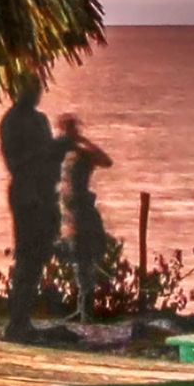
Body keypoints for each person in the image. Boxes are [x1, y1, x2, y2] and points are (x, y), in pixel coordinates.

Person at [0, 74, 64, 339]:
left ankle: (24, 319)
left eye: (38, 88)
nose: (37, 93)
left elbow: (51, 155)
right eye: (31, 88)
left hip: (45, 193)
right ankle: (18, 321)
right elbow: (15, 162)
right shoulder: (12, 121)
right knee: (26, 257)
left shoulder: (40, 120)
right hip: (26, 195)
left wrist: (61, 146)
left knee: (38, 257)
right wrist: (44, 153)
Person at [56, 114, 116, 324]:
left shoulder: (83, 153)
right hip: (68, 214)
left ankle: (86, 310)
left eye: (71, 129)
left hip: (82, 211)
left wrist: (83, 142)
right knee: (77, 259)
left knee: (85, 258)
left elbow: (106, 161)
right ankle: (81, 307)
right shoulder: (61, 153)